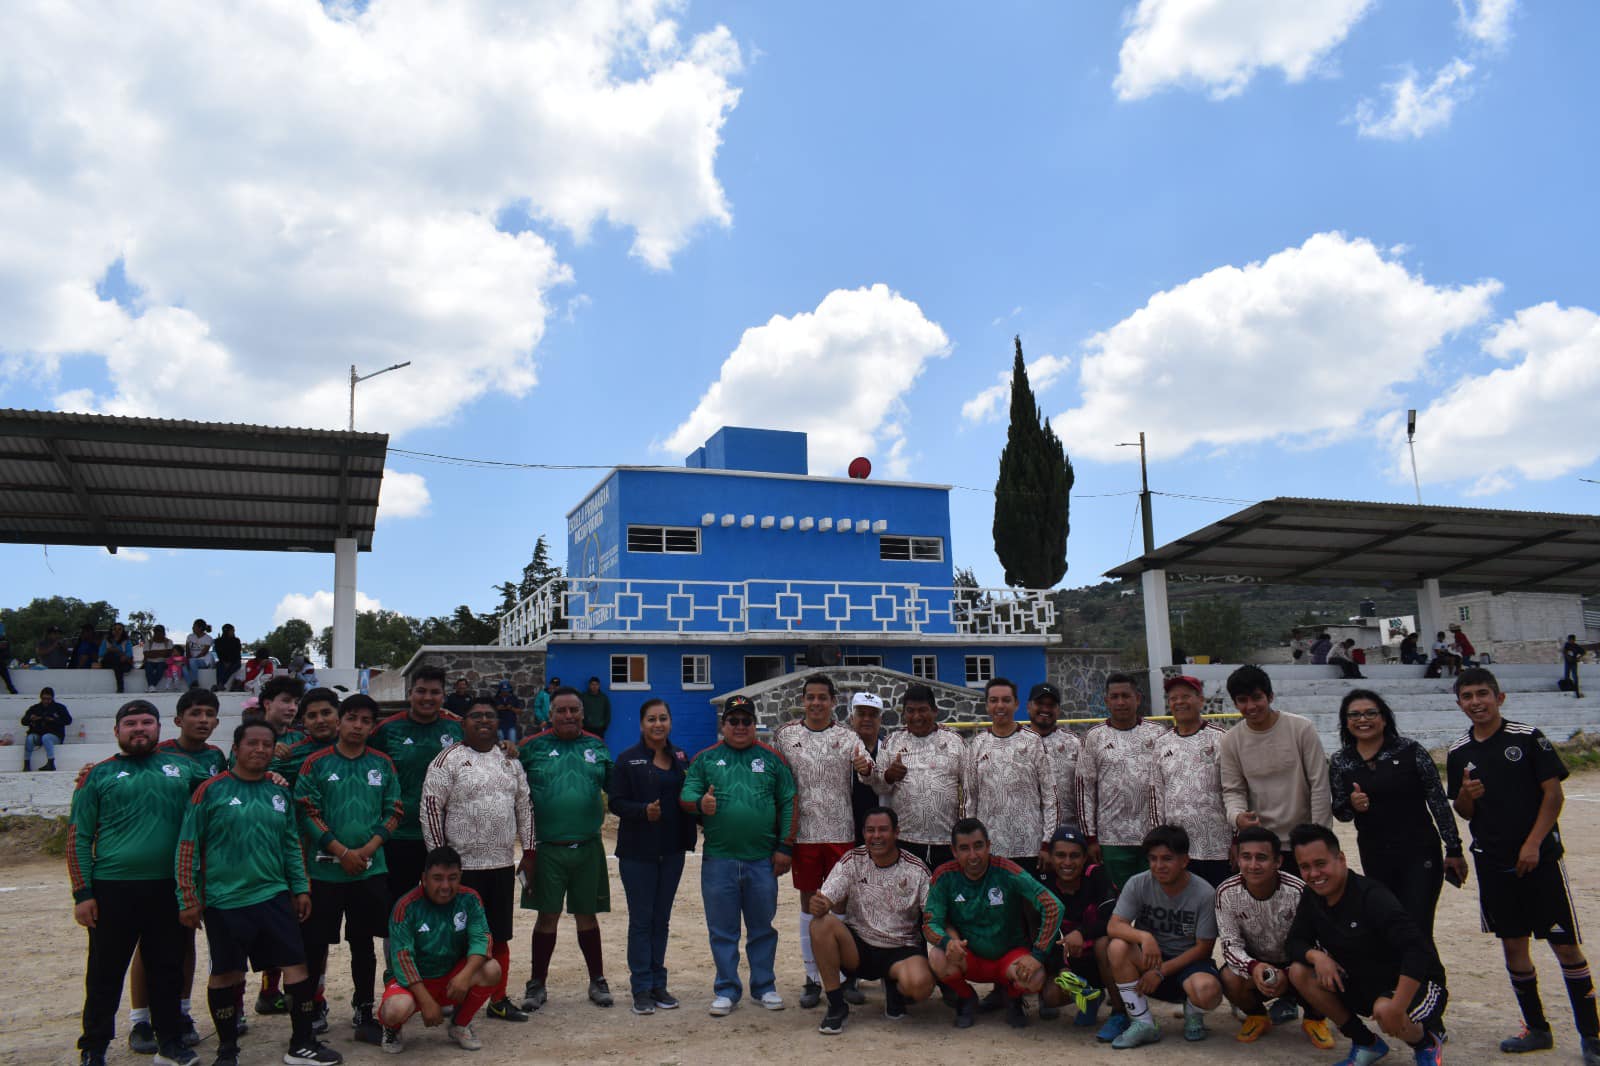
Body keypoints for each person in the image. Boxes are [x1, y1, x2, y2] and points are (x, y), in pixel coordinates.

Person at [1446, 666, 1600, 1062]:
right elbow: (1463, 812)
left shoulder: (1527, 738)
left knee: (1565, 946)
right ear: (1459, 703)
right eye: (1467, 696)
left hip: (1540, 860)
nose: (1476, 702)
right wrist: (1467, 794)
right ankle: (1537, 1028)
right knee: (1513, 946)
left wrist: (1533, 843)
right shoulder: (1458, 752)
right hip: (1492, 862)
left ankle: (1592, 1036)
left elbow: (1553, 795)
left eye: (1483, 693)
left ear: (1499, 698)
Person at [176, 719, 340, 1066]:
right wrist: (187, 896)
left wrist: (300, 887)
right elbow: (188, 846)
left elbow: (291, 844)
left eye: (267, 744)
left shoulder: (279, 791)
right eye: (252, 743)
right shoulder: (210, 790)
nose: (261, 750)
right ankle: (227, 1049)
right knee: (226, 973)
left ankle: (302, 1043)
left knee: (296, 967)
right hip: (225, 899)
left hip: (274, 895)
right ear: (236, 748)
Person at [69, 699, 201, 1066]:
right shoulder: (98, 775)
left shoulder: (185, 770)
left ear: (160, 730)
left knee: (167, 969)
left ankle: (170, 1042)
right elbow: (78, 836)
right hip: (113, 889)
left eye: (147, 722)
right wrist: (83, 894)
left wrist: (272, 775)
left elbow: (225, 792)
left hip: (168, 888)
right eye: (131, 723)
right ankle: (93, 1048)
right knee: (104, 974)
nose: (139, 728)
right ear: (117, 731)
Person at [1286, 823, 1447, 1066]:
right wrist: (1317, 957)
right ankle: (1366, 1043)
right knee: (1299, 971)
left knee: (1386, 1009)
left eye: (1321, 864)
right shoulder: (1312, 897)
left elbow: (1417, 950)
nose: (1314, 874)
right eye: (1305, 867)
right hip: (1364, 983)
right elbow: (1294, 942)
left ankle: (1426, 1043)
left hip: (1416, 983)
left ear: (1340, 859)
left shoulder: (1372, 896)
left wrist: (1398, 1006)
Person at [295, 693, 403, 1045]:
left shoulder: (383, 763)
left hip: (370, 871)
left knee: (363, 942)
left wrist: (368, 849)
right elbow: (307, 812)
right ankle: (311, 1010)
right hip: (326, 872)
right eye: (351, 718)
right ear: (340, 721)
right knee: (314, 945)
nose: (357, 726)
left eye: (365, 721)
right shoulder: (316, 763)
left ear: (373, 727)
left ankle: (364, 1007)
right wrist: (341, 851)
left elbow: (394, 811)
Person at [680, 694, 796, 1016]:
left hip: (762, 860)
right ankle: (727, 988)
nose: (741, 726)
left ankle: (764, 986)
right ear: (724, 725)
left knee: (763, 927)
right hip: (719, 859)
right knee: (722, 930)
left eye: (747, 720)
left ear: (754, 724)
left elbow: (788, 800)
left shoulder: (772, 759)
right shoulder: (706, 759)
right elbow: (687, 794)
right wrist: (700, 803)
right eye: (734, 721)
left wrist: (785, 847)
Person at [420, 693, 532, 1024]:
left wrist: (530, 851)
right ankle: (451, 998)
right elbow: (430, 810)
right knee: (458, 938)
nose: (484, 720)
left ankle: (498, 1000)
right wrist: (440, 865)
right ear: (462, 722)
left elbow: (525, 807)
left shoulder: (510, 762)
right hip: (461, 870)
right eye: (476, 715)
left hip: (500, 865)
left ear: (499, 723)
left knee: (498, 936)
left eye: (490, 715)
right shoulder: (447, 760)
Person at [1329, 689, 1466, 940]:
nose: (1363, 720)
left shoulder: (1410, 751)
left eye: (1371, 713)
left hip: (1419, 851)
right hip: (1375, 854)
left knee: (1418, 924)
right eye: (1355, 715)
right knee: (1390, 925)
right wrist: (1352, 804)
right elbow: (1341, 813)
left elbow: (1437, 801)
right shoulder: (1341, 761)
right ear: (1345, 721)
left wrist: (1454, 848)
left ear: (1384, 718)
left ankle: (1430, 979)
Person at [774, 674, 876, 1008]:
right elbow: (777, 783)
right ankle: (812, 978)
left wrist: (865, 767)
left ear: (833, 701)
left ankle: (846, 976)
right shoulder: (787, 736)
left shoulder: (848, 737)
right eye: (810, 697)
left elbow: (870, 772)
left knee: (842, 907)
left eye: (822, 697)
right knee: (808, 906)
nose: (816, 703)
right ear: (803, 701)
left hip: (841, 833)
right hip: (804, 835)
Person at [517, 685, 616, 1010]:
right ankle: (537, 984)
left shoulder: (596, 746)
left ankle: (597, 980)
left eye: (574, 710)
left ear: (583, 714)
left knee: (587, 916)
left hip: (588, 847)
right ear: (550, 714)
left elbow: (617, 788)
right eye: (561, 710)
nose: (568, 715)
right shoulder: (531, 748)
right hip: (546, 850)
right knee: (547, 917)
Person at [923, 817, 1062, 1029]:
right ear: (954, 851)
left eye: (978, 846)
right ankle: (966, 998)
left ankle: (1013, 998)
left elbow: (1053, 906)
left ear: (988, 845)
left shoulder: (1008, 871)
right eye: (964, 848)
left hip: (1009, 957)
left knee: (1036, 976)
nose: (973, 855)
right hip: (967, 956)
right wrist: (948, 943)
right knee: (938, 956)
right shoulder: (944, 876)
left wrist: (1038, 955)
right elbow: (930, 924)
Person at [808, 807, 936, 1035]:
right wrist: (821, 904)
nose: (876, 836)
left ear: (896, 832)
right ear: (863, 833)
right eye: (870, 830)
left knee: (920, 986)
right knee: (820, 924)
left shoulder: (916, 869)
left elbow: (932, 916)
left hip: (901, 948)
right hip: (859, 946)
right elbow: (827, 896)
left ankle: (895, 988)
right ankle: (836, 1005)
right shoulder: (853, 860)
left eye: (883, 830)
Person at [609, 698, 695, 1015]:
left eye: (663, 718)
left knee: (662, 920)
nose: (657, 724)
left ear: (670, 722)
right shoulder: (627, 759)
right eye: (651, 719)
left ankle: (659, 983)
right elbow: (615, 803)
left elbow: (689, 797)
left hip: (672, 851)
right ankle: (641, 988)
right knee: (641, 922)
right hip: (637, 853)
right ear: (642, 723)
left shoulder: (681, 757)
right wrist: (643, 811)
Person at [1103, 824, 1223, 1048]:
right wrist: (1144, 937)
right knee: (1117, 946)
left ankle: (1193, 1012)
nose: (1159, 866)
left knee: (1208, 991)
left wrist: (1161, 971)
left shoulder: (1205, 893)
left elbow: (1203, 948)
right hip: (1151, 957)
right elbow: (1114, 926)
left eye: (1167, 859)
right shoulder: (1138, 882)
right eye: (1153, 858)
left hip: (1187, 963)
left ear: (1184, 861)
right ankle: (1143, 1023)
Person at [1216, 826, 1332, 1048]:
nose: (1253, 865)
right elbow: (1231, 945)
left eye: (1261, 858)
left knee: (1323, 972)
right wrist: (1255, 968)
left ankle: (1315, 1019)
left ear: (1277, 861)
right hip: (1257, 964)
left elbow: (1319, 943)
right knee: (1229, 978)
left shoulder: (1299, 891)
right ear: (1237, 859)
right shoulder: (1226, 892)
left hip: (1297, 964)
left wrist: (1287, 974)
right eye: (1246, 857)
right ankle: (1257, 1016)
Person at [379, 846, 503, 1053]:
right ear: (424, 878)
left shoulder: (470, 899)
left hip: (450, 977)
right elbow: (402, 959)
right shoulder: (406, 906)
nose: (445, 886)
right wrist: (426, 1001)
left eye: (452, 877)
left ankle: (459, 1024)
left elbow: (481, 940)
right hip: (413, 981)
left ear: (460, 876)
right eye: (438, 878)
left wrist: (465, 976)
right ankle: (391, 1029)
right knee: (395, 1010)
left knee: (492, 969)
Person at [371, 666, 464, 922]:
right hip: (398, 834)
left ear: (443, 696)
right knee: (398, 909)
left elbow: (485, 753)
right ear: (410, 693)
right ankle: (397, 961)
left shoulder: (457, 729)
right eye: (421, 691)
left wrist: (507, 747)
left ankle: (438, 962)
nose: (427, 698)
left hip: (443, 836)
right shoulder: (387, 730)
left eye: (435, 692)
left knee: (442, 905)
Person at [1218, 664, 1331, 864]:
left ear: (1270, 697)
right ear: (1235, 703)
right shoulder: (1230, 740)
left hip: (1304, 841)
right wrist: (1237, 817)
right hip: (1261, 845)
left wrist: (1318, 836)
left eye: (1256, 697)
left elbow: (1319, 786)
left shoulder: (1301, 729)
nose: (1251, 706)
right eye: (1242, 700)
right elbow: (1233, 791)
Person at [963, 677, 1057, 878]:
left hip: (1029, 847)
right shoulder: (977, 745)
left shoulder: (1033, 742)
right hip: (989, 849)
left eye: (1006, 700)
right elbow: (970, 800)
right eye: (994, 700)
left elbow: (1050, 797)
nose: (1000, 706)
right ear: (987, 705)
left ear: (1016, 704)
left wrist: (1047, 843)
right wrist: (971, 845)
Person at [1077, 672, 1161, 888]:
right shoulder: (1094, 737)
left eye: (1126, 695)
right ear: (1106, 701)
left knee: (1152, 902)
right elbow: (1084, 790)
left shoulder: (1158, 734)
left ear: (1138, 699)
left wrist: (1164, 832)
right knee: (1118, 904)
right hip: (1111, 839)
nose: (1120, 702)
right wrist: (1091, 838)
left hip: (1152, 837)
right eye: (1114, 697)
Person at [870, 684, 967, 871]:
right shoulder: (892, 742)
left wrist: (964, 832)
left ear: (935, 711)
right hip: (905, 839)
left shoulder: (955, 742)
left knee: (944, 896)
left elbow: (970, 789)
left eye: (923, 710)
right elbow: (878, 788)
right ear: (903, 714)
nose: (916, 717)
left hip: (947, 839)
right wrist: (889, 776)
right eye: (910, 711)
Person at [1034, 826, 1121, 1032]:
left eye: (1074, 856)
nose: (1067, 862)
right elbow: (1040, 930)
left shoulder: (1097, 876)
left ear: (1084, 859)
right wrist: (1060, 967)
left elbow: (1113, 919)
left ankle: (1119, 1012)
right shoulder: (1044, 883)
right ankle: (1091, 998)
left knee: (1104, 944)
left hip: (1102, 958)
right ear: (1051, 857)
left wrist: (1082, 933)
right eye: (1060, 855)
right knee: (1052, 996)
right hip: (1072, 959)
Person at [1150, 675, 1233, 888]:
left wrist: (1238, 839)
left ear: (1200, 700)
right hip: (1177, 849)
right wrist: (1158, 842)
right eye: (1173, 698)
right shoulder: (1162, 743)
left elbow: (1236, 790)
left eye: (1186, 696)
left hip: (1217, 846)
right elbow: (1156, 795)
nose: (1179, 702)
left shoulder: (1220, 738)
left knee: (1215, 903)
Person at [1026, 682, 1081, 836]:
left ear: (1058, 710)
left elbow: (1086, 792)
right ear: (1028, 706)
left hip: (1066, 833)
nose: (1045, 709)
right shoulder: (1016, 742)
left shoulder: (1074, 744)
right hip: (1027, 834)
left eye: (1051, 705)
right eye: (1040, 703)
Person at [849, 693, 886, 843]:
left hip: (882, 831)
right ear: (852, 718)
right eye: (861, 714)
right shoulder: (840, 750)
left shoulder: (890, 750)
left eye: (873, 714)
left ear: (880, 719)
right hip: (849, 830)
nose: (867, 719)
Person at [21, 685, 71, 771]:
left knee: (46, 737)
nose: (46, 701)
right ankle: (26, 764)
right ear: (41, 698)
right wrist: (31, 718)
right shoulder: (35, 708)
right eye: (44, 698)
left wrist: (54, 720)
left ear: (52, 698)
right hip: (38, 734)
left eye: (48, 699)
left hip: (55, 735)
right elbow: (23, 721)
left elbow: (68, 721)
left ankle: (51, 763)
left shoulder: (59, 708)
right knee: (30, 738)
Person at [98, 622, 135, 693]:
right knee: (113, 656)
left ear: (122, 631)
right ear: (111, 631)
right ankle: (120, 688)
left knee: (117, 664)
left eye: (119, 629)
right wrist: (111, 651)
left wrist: (117, 651)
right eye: (114, 629)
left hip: (122, 663)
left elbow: (129, 654)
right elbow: (101, 654)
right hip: (108, 662)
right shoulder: (106, 641)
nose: (117, 631)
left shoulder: (126, 641)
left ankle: (120, 688)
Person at [142, 625, 177, 691]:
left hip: (163, 662)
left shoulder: (169, 642)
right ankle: (151, 686)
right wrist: (162, 653)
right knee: (148, 667)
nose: (158, 634)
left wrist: (154, 653)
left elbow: (168, 653)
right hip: (150, 661)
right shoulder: (149, 642)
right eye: (156, 632)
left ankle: (151, 685)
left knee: (160, 667)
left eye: (160, 632)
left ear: (163, 633)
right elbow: (146, 654)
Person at [182, 620, 214, 689]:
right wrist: (188, 660)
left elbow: (204, 652)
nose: (192, 628)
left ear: (200, 628)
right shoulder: (190, 637)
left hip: (203, 661)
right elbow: (187, 650)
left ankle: (195, 682)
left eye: (194, 626)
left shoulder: (208, 638)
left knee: (192, 661)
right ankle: (191, 686)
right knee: (184, 668)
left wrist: (192, 659)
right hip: (192, 660)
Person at [212, 623, 242, 692]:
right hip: (223, 661)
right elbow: (219, 653)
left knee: (234, 666)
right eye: (232, 631)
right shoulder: (218, 641)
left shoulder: (236, 641)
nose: (233, 632)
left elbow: (237, 653)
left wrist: (229, 662)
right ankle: (220, 684)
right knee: (219, 666)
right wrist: (224, 661)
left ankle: (221, 684)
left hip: (234, 661)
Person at [0, 621, 13, 694]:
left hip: (2, 664)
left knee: (8, 682)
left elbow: (7, 654)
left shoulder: (5, 641)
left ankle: (12, 691)